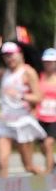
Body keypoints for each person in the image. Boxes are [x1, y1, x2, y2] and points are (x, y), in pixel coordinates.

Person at [0, 35, 44, 178]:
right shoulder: (5, 72)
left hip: (23, 121)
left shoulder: (28, 72)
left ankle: (51, 181)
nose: (9, 58)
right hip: (5, 122)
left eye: (11, 55)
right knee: (3, 162)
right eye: (6, 56)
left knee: (28, 166)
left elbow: (38, 97)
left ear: (20, 54)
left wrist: (20, 95)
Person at [37, 47, 56, 179]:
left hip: (54, 118)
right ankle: (53, 165)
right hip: (40, 117)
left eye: (51, 61)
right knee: (43, 147)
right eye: (46, 61)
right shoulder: (39, 77)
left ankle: (49, 175)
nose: (48, 64)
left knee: (49, 144)